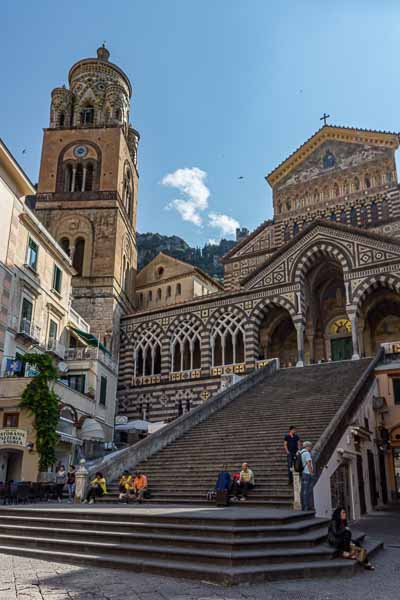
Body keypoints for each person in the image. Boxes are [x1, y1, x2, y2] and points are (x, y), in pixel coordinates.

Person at [300, 441, 314, 511]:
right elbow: (308, 463)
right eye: (310, 446)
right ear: (308, 447)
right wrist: (311, 472)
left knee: (303, 490)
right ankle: (307, 506)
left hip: (303, 473)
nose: (311, 448)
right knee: (308, 490)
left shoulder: (301, 453)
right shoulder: (307, 453)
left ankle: (303, 505)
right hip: (307, 473)